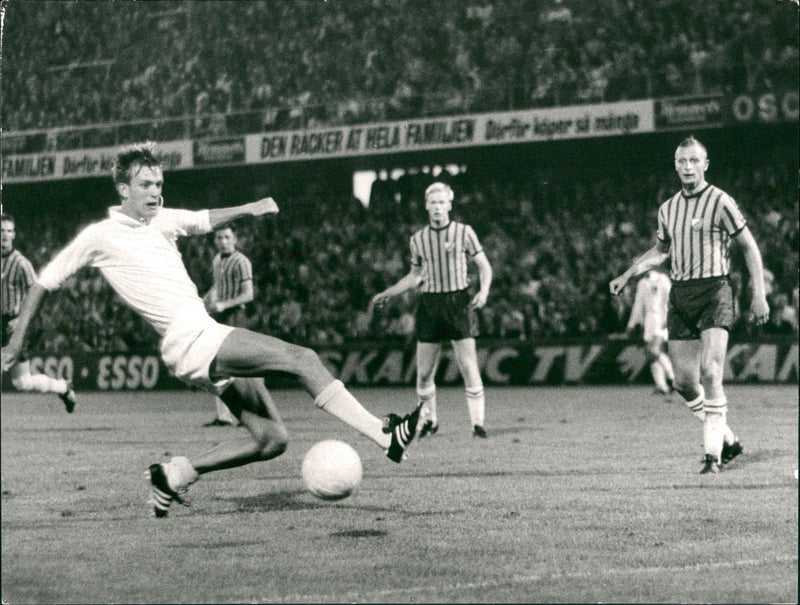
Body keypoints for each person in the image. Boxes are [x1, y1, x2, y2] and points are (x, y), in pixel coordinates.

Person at [1, 142, 426, 518]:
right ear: (123, 189)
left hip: (196, 336)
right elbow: (43, 283)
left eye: (159, 183)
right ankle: (384, 434)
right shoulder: (100, 236)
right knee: (304, 359)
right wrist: (17, 344)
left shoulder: (161, 220)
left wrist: (250, 208)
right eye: (146, 184)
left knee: (271, 439)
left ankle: (174, 474)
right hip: (190, 338)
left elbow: (204, 220)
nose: (156, 191)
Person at [610, 136, 769, 474]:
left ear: (705, 164)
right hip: (681, 296)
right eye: (682, 161)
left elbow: (750, 247)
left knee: (711, 372)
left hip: (715, 291)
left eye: (694, 161)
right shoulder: (668, 208)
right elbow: (660, 251)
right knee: (685, 382)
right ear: (675, 165)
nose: (687, 167)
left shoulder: (721, 201)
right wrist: (627, 274)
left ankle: (712, 457)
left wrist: (759, 294)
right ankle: (729, 440)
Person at [371, 181, 493, 438]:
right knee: (424, 372)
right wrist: (389, 293)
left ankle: (477, 424)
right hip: (430, 304)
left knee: (468, 366)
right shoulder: (418, 239)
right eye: (433, 203)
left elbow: (484, 266)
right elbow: (415, 276)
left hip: (458, 303)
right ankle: (430, 420)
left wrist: (483, 292)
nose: (437, 207)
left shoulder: (464, 232)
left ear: (449, 205)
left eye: (441, 202)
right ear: (427, 206)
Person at [1, 213, 77, 412]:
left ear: (14, 234)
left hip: (11, 326)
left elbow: (37, 294)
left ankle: (62, 387)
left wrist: (19, 321)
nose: (5, 235)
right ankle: (62, 386)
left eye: (9, 231)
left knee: (22, 382)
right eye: (1, 231)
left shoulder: (20, 264)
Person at [202, 224, 253, 427]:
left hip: (235, 316)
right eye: (219, 238)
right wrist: (205, 300)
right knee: (216, 366)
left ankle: (248, 413)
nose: (222, 241)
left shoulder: (242, 261)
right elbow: (218, 286)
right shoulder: (217, 260)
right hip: (219, 318)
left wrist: (224, 304)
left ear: (234, 239)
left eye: (226, 237)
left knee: (237, 367)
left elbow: (249, 294)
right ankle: (224, 416)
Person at [626, 267, 675, 394]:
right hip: (649, 322)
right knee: (652, 353)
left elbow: (672, 300)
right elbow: (638, 305)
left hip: (662, 320)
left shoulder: (662, 279)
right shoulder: (642, 283)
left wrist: (670, 318)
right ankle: (661, 385)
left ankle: (673, 378)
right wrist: (632, 324)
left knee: (654, 350)